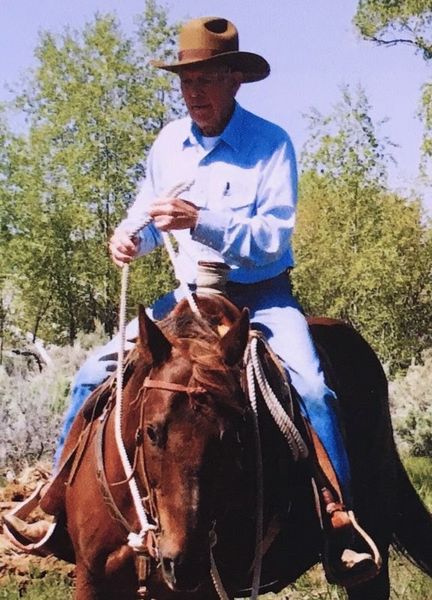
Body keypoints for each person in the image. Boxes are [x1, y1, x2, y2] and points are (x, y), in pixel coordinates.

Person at [4, 16, 381, 586]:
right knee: (89, 374)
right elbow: (149, 215)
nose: (193, 92)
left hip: (260, 296)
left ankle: (339, 523)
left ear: (234, 79)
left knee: (312, 387)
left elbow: (273, 238)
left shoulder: (270, 145)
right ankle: (54, 505)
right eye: (186, 81)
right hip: (186, 297)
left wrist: (202, 220)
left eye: (205, 79)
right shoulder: (169, 144)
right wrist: (129, 237)